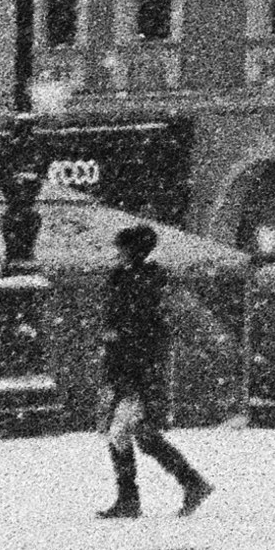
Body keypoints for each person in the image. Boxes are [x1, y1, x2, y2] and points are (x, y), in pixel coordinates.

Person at [98, 222, 213, 521]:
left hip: (135, 369)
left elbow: (134, 328)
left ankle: (132, 498)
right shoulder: (142, 280)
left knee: (119, 433)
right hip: (137, 367)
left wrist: (120, 353)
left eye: (122, 248)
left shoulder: (136, 283)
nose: (118, 254)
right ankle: (190, 483)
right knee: (143, 435)